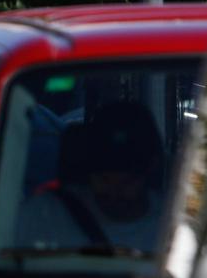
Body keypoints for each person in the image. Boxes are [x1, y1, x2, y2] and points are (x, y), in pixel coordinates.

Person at [14, 100, 164, 251]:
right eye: (104, 179)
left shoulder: (169, 224)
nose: (114, 193)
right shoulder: (42, 215)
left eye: (127, 182)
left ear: (150, 170)